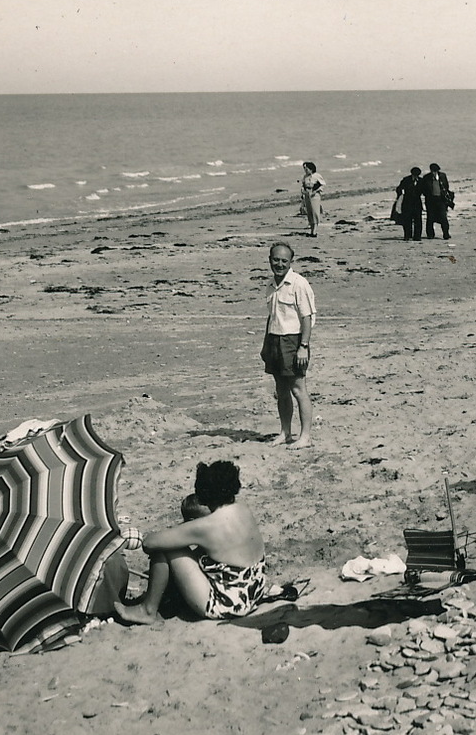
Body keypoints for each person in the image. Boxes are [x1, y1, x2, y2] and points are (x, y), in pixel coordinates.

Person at [115, 460, 267, 625]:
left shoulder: (208, 525)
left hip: (227, 605)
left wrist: (182, 530)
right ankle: (168, 600)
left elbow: (149, 543)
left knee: (165, 549)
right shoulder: (243, 510)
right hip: (253, 594)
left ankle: (147, 610)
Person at [261, 242, 315, 447]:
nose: (279, 264)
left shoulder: (299, 284)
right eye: (276, 260)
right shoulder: (270, 285)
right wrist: (266, 345)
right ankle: (285, 432)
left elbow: (307, 318)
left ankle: (305, 437)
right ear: (270, 260)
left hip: (293, 340)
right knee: (281, 390)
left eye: (284, 260)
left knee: (298, 389)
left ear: (291, 262)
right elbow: (272, 317)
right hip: (274, 339)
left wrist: (304, 346)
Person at [423, 162, 452, 239]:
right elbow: (424, 189)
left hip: (441, 200)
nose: (434, 172)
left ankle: (446, 233)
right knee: (430, 218)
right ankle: (430, 235)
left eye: (435, 171)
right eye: (433, 171)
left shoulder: (442, 176)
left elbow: (446, 187)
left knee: (443, 217)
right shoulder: (426, 177)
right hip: (430, 200)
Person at [395, 167, 425, 241]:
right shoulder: (406, 180)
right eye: (414, 175)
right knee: (407, 220)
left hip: (417, 202)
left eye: (417, 175)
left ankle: (417, 236)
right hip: (407, 202)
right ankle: (407, 235)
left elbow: (425, 190)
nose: (415, 177)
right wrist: (400, 195)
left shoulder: (421, 181)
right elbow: (399, 188)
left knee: (418, 220)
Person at [299, 162, 324, 238]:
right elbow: (303, 185)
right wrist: (303, 192)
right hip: (307, 195)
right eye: (304, 169)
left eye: (307, 169)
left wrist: (315, 191)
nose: (305, 171)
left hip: (315, 195)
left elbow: (322, 185)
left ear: (311, 169)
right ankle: (311, 230)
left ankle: (314, 231)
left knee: (315, 212)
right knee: (309, 212)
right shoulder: (305, 177)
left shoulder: (317, 176)